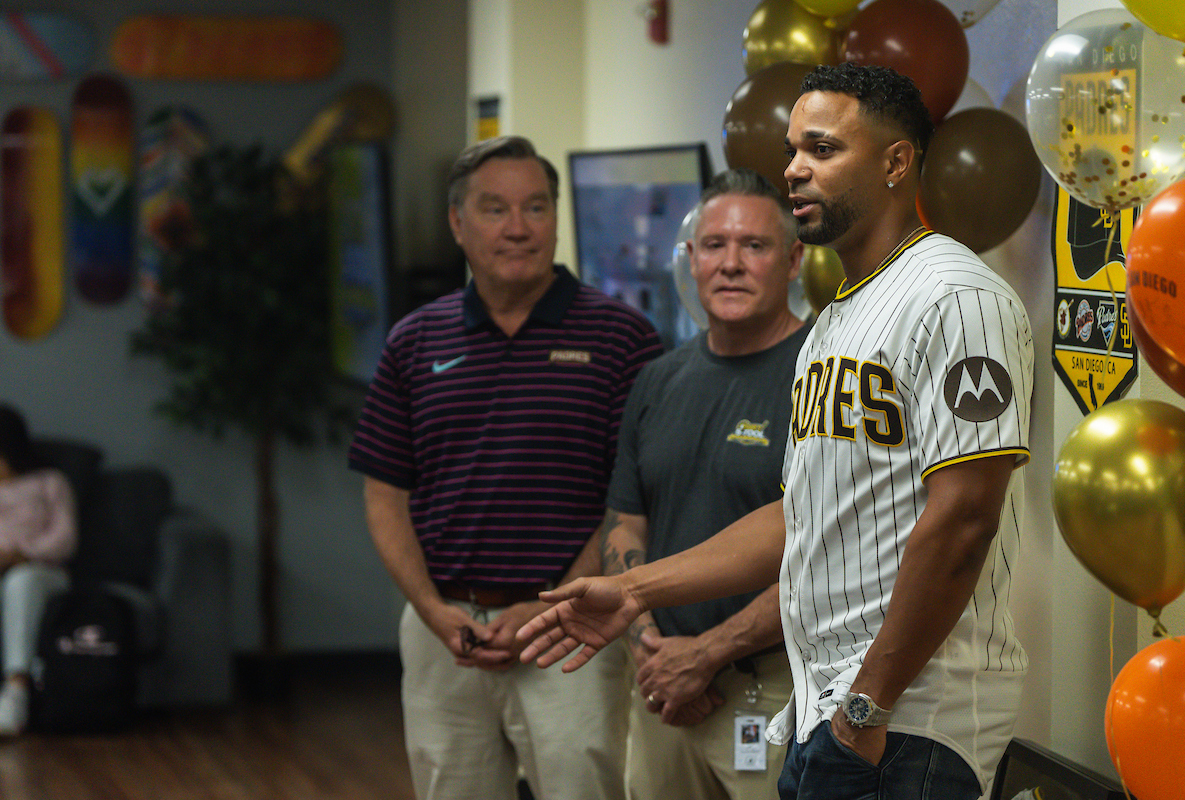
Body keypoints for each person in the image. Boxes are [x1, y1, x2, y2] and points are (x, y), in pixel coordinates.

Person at [519, 63, 1034, 800]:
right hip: (827, 710)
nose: (792, 168)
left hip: (909, 721)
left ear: (895, 162)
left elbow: (964, 520)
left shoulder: (958, 297)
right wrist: (633, 588)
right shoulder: (833, 324)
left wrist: (866, 707)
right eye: (793, 149)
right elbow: (798, 517)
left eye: (822, 149)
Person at [348, 135, 663, 800]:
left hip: (572, 631)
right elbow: (384, 495)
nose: (518, 228)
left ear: (555, 218)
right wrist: (433, 611)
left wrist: (554, 608)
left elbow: (631, 502)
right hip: (444, 634)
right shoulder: (414, 341)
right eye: (495, 209)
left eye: (536, 207)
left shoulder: (622, 339)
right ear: (458, 223)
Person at [603, 168, 808, 799]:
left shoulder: (823, 376)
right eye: (715, 245)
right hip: (660, 685)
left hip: (768, 688)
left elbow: (828, 555)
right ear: (691, 260)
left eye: (755, 245)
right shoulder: (657, 380)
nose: (731, 264)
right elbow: (625, 525)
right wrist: (649, 645)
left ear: (794, 261)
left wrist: (710, 652)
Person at [0, 405, 77, 735]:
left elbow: (65, 539)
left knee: (21, 581)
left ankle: (16, 691)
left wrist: (22, 555)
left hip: (41, 573)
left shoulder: (49, 482)